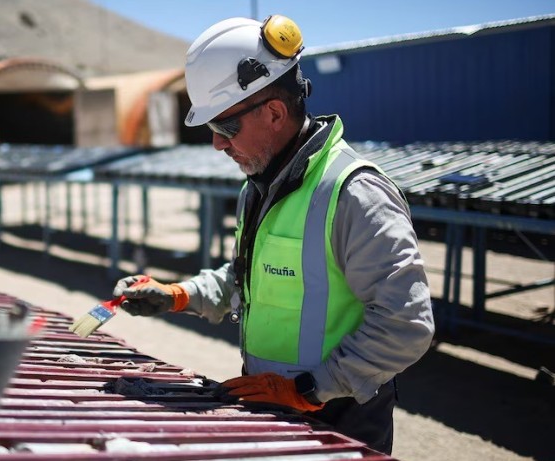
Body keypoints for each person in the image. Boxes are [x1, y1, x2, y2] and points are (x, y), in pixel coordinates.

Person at [112, 15, 434, 455]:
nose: (217, 144)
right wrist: (179, 295)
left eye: (224, 128)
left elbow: (406, 322)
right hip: (273, 408)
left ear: (275, 113)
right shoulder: (259, 187)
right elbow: (251, 277)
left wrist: (310, 389)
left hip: (338, 419)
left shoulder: (354, 194)